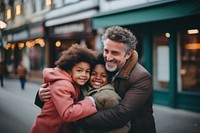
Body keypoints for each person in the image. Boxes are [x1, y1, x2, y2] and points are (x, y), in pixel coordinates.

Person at [36, 26, 156, 133]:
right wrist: (44, 93)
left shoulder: (141, 77)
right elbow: (69, 72)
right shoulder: (98, 61)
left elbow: (120, 115)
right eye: (106, 51)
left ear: (128, 54)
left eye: (115, 53)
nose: (108, 57)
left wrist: (75, 117)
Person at [30, 44, 97, 133]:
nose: (84, 75)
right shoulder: (62, 84)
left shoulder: (74, 82)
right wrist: (90, 101)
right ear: (69, 71)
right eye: (79, 70)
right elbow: (67, 113)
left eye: (87, 71)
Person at [80, 53, 130, 133]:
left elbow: (123, 124)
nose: (97, 78)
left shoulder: (110, 96)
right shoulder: (83, 89)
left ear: (109, 79)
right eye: (93, 74)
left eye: (103, 75)